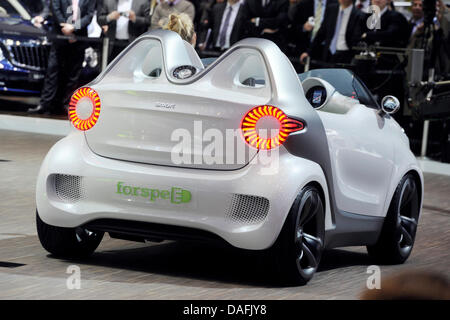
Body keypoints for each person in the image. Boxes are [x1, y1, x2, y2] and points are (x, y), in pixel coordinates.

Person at [28, 0, 96, 115]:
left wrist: (73, 28)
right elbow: (55, 10)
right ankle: (45, 104)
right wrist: (66, 29)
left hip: (79, 37)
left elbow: (89, 16)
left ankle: (66, 104)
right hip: (60, 35)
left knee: (73, 74)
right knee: (52, 71)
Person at [300, 0, 365, 64]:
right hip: (328, 54)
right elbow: (321, 33)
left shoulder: (359, 15)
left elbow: (357, 40)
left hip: (346, 56)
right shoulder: (331, 9)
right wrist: (309, 52)